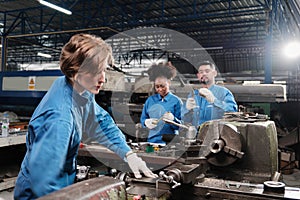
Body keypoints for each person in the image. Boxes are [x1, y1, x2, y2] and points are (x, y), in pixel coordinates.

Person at [14, 33, 157, 200]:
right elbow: (45, 184)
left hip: (62, 186)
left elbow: (101, 123)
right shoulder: (59, 119)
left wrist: (128, 154)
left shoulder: (77, 89)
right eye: (97, 72)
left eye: (104, 70)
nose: (103, 78)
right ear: (76, 72)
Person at [182, 61, 237, 127]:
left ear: (214, 73)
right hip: (196, 135)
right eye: (201, 72)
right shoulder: (193, 95)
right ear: (198, 75)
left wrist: (215, 101)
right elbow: (184, 120)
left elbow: (232, 112)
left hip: (216, 135)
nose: (204, 74)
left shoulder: (224, 92)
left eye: (207, 71)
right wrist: (187, 110)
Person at [140, 62, 183, 144]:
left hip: (170, 143)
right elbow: (143, 119)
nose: (159, 89)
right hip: (152, 141)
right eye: (157, 86)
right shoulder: (150, 101)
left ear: (169, 83)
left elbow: (182, 127)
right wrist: (146, 122)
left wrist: (173, 120)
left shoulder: (176, 101)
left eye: (162, 86)